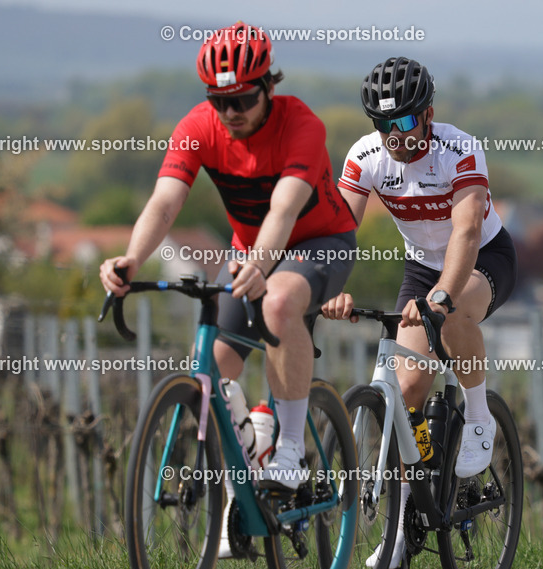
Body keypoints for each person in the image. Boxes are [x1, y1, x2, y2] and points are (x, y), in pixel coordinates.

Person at [99, 23, 357, 500]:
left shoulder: (302, 125)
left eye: (242, 99)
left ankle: (291, 453)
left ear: (269, 87)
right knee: (210, 377)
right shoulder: (198, 126)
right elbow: (164, 204)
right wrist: (132, 259)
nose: (230, 112)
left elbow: (283, 209)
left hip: (320, 241)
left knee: (279, 303)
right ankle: (252, 450)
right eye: (220, 101)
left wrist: (261, 266)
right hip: (249, 251)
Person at [322, 57, 517, 569]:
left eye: (405, 122)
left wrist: (443, 296)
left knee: (453, 319)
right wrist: (331, 288)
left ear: (428, 115)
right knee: (404, 392)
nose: (395, 136)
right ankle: (400, 529)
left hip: (482, 259)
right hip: (420, 269)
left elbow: (467, 233)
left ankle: (478, 419)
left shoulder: (460, 150)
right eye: (384, 125)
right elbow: (340, 231)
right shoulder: (366, 157)